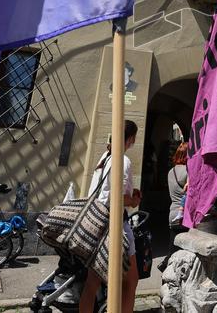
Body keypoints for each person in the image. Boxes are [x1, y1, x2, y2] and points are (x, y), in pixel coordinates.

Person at [79, 120, 143, 313]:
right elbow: (119, 197)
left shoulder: (104, 158)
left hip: (95, 222)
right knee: (131, 281)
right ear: (131, 138)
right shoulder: (122, 160)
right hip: (114, 226)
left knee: (92, 282)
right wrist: (133, 201)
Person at [157, 142, 189, 271]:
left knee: (173, 247)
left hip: (172, 213)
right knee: (180, 251)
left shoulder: (171, 171)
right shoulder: (188, 171)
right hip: (184, 215)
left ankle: (166, 268)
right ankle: (166, 268)